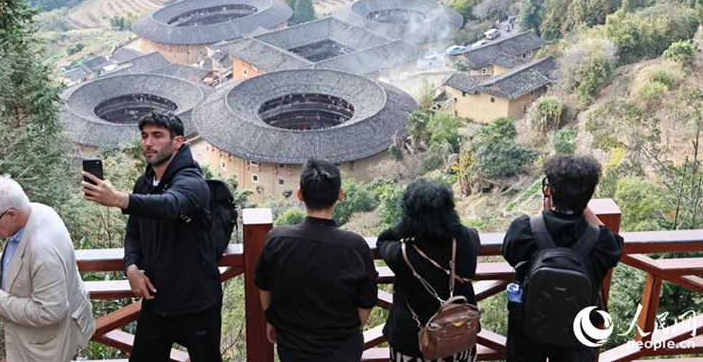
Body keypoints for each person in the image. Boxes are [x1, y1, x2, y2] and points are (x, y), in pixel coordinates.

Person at [82, 111, 222, 361]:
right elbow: (133, 234)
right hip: (156, 300)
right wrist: (131, 267)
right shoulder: (144, 183)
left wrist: (119, 199)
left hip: (197, 303)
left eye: (157, 136)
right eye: (145, 136)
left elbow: (170, 205)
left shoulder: (192, 180)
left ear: (177, 142)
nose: (148, 142)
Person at [502, 154, 624, 362]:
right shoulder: (602, 241)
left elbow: (510, 253)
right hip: (578, 333)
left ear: (548, 191)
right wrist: (581, 203)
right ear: (588, 198)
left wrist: (545, 214)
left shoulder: (524, 229)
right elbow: (614, 244)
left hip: (528, 328)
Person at [254, 158, 378, 362]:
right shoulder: (354, 246)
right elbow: (367, 299)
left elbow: (263, 283)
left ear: (300, 195)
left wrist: (271, 318)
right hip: (342, 349)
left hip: (293, 346)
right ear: (340, 194)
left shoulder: (277, 240)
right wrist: (352, 329)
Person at [0, 175, 95, 362]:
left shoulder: (43, 252)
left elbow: (50, 311)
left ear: (11, 214)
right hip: (44, 336)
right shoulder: (37, 212)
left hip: (45, 348)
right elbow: (20, 248)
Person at [377, 179, 480, 362]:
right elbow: (465, 230)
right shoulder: (467, 240)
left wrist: (405, 227)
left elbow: (383, 239)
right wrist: (448, 223)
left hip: (414, 343)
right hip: (459, 337)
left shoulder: (403, 254)